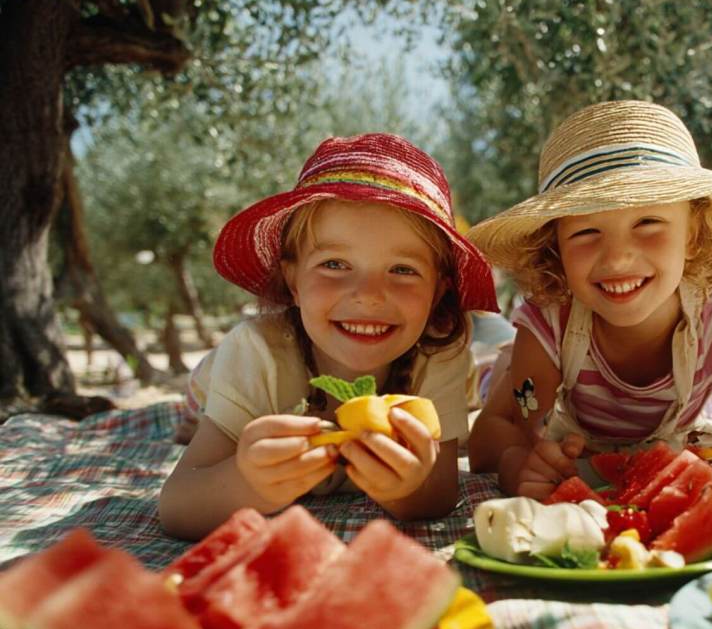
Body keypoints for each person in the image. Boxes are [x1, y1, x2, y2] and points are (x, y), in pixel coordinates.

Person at [465, 100, 712, 500]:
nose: (617, 258)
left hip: (681, 415)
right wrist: (517, 466)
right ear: (555, 249)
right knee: (495, 369)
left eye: (648, 222)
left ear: (692, 235)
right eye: (586, 232)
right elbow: (492, 438)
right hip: (526, 366)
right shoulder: (548, 323)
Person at [159, 134, 498, 539]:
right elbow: (177, 505)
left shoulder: (440, 354)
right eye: (335, 263)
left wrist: (407, 490)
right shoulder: (256, 351)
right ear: (293, 281)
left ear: (438, 291)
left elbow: (439, 493)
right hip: (216, 379)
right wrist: (246, 484)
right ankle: (200, 416)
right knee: (205, 418)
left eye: (403, 270)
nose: (369, 296)